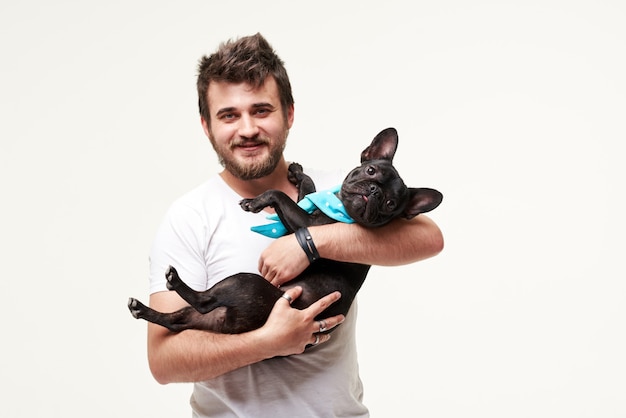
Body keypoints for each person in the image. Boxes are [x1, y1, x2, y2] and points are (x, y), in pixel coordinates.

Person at [146, 33, 444, 417]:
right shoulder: (189, 216)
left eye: (262, 110)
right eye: (229, 115)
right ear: (206, 125)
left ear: (289, 113)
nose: (248, 128)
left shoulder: (343, 193)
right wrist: (268, 341)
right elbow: (163, 361)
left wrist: (309, 242)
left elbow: (429, 238)